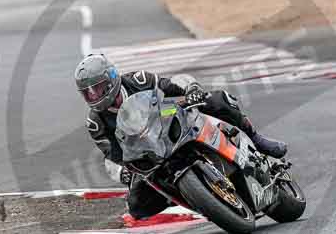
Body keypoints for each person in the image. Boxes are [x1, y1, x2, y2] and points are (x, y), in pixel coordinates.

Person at [75, 53, 287, 220]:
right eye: (88, 92)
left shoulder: (137, 80)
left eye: (98, 88)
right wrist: (123, 172)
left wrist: (191, 88)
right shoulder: (96, 122)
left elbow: (170, 84)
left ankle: (257, 139)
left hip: (166, 119)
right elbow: (112, 155)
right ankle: (185, 195)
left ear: (111, 79)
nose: (94, 95)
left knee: (217, 100)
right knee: (136, 207)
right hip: (146, 155)